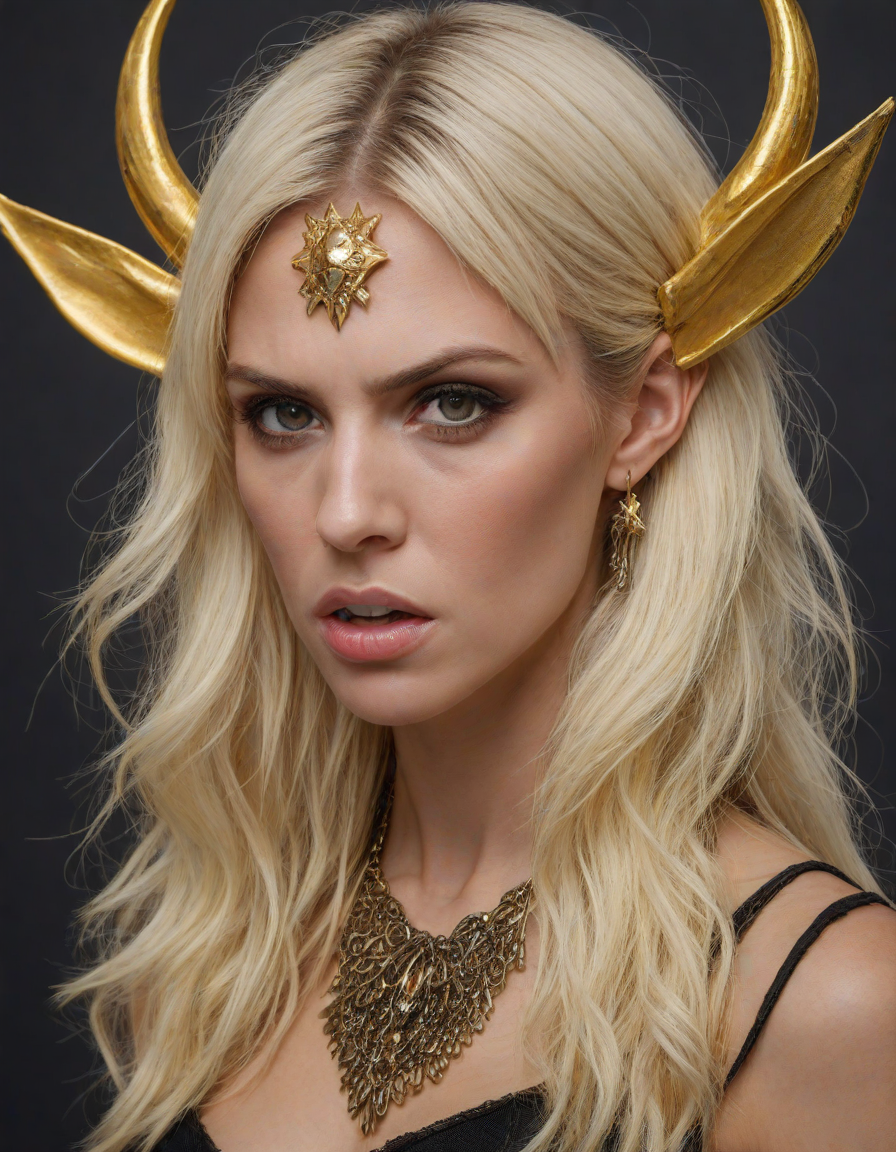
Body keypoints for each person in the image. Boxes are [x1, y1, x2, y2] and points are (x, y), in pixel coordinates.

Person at [1, 1, 894, 1150]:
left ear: (643, 414)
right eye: (282, 414)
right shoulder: (203, 969)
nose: (346, 512)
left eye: (452, 402)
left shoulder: (826, 1011)